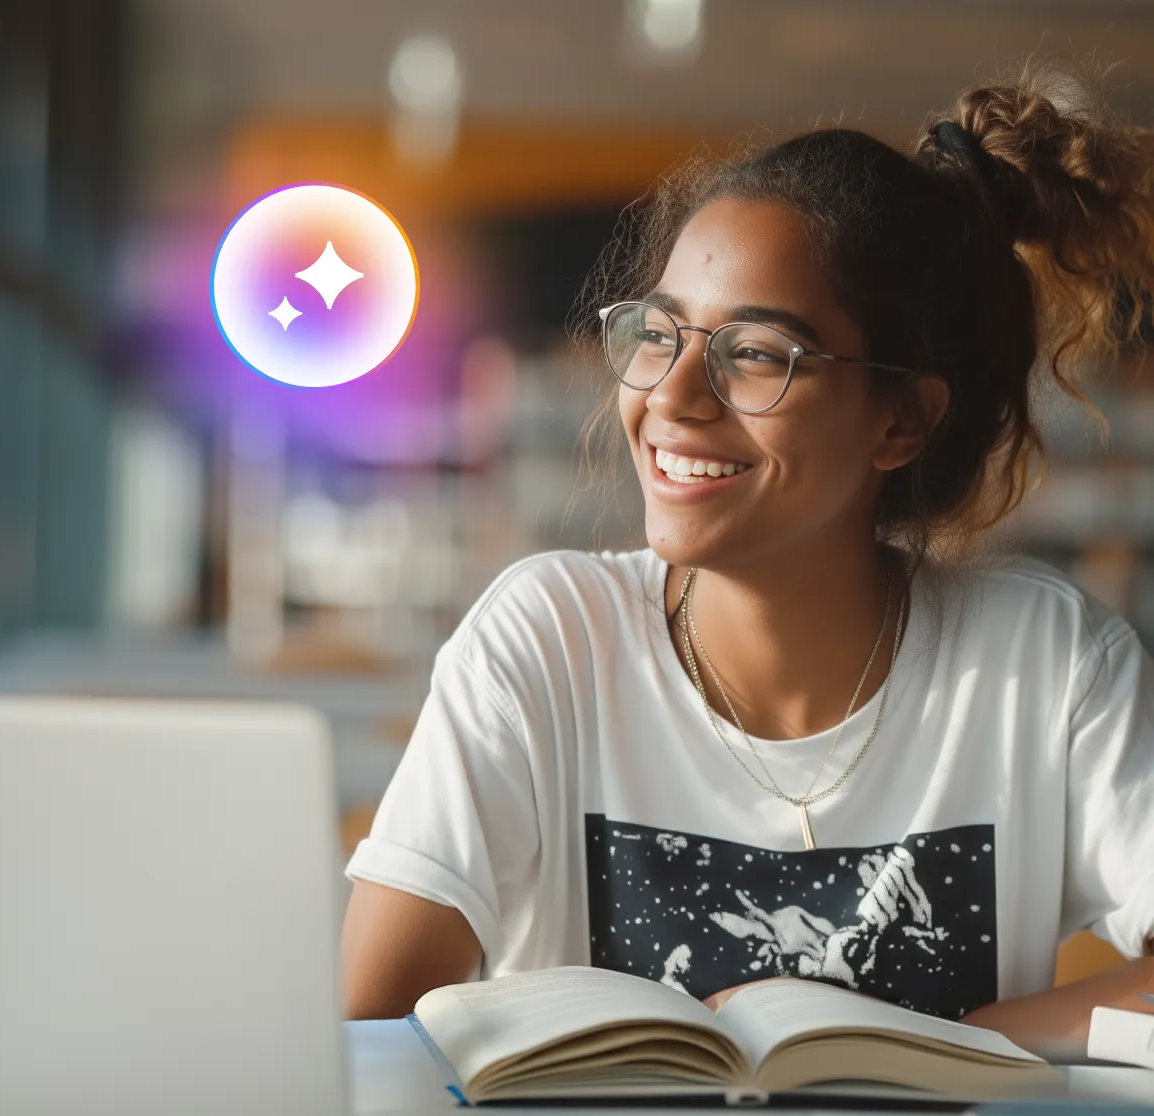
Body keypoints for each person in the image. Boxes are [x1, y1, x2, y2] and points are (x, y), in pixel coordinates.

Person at [339, 62, 1154, 1060]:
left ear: (901, 419)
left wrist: (949, 1044)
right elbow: (363, 1030)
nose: (673, 397)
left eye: (758, 353)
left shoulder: (1044, 659)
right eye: (659, 334)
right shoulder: (549, 639)